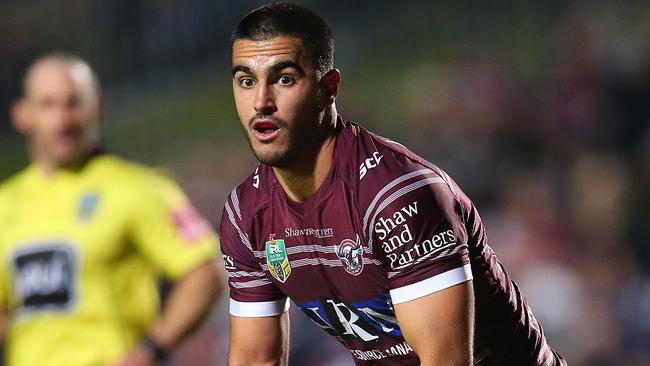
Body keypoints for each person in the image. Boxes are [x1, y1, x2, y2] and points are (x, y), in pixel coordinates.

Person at [220, 3, 568, 366]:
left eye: (284, 79)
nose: (261, 102)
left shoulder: (398, 196)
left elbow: (445, 361)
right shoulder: (246, 215)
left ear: (328, 88)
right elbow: (254, 358)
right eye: (246, 81)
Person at [0, 53, 223, 366]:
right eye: (48, 105)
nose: (63, 120)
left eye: (74, 103)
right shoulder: (5, 202)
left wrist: (152, 349)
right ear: (22, 114)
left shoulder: (140, 188)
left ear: (98, 107)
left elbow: (205, 272)